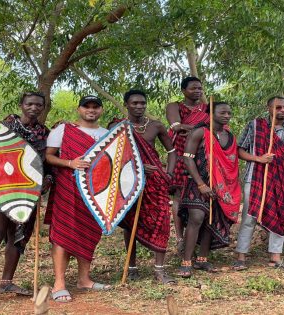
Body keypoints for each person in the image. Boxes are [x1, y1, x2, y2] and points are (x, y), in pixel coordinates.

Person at [0, 92, 52, 308]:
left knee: (17, 238)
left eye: (39, 104)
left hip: (28, 192)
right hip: (0, 189)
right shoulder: (5, 126)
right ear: (21, 105)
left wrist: (47, 178)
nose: (34, 108)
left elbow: (47, 163)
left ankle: (7, 282)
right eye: (30, 104)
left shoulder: (45, 133)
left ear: (43, 107)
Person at [44, 95, 111, 303]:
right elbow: (49, 156)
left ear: (101, 110)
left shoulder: (107, 134)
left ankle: (84, 279)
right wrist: (70, 163)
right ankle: (59, 283)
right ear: (79, 109)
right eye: (86, 106)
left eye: (95, 107)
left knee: (89, 231)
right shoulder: (63, 130)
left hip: (96, 190)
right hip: (68, 187)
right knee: (63, 232)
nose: (91, 110)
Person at [108, 89, 177, 284]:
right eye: (135, 103)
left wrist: (169, 174)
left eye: (142, 103)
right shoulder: (118, 126)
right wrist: (135, 166)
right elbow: (110, 156)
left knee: (161, 220)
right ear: (126, 104)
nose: (139, 107)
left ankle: (160, 269)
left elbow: (172, 151)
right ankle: (131, 267)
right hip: (129, 181)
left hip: (155, 181)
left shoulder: (156, 126)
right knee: (130, 222)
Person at [233, 96, 284, 271]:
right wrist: (258, 158)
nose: (283, 110)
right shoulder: (256, 126)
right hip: (256, 177)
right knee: (250, 216)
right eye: (279, 107)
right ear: (269, 108)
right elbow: (240, 150)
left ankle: (275, 256)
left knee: (280, 216)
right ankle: (241, 256)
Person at [177, 101, 241, 278]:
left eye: (229, 113)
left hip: (221, 187)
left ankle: (202, 259)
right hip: (198, 183)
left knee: (211, 221)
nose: (227, 115)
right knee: (196, 218)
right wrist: (201, 184)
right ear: (211, 113)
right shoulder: (199, 132)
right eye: (222, 112)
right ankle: (186, 261)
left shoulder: (229, 136)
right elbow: (188, 159)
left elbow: (231, 160)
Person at [165, 77, 209, 252]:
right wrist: (201, 129)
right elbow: (176, 127)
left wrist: (191, 128)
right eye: (193, 88)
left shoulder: (206, 108)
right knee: (179, 194)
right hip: (180, 151)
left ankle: (199, 237)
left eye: (200, 88)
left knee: (200, 190)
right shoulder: (174, 106)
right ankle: (180, 238)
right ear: (183, 90)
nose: (197, 91)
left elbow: (217, 127)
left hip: (202, 153)